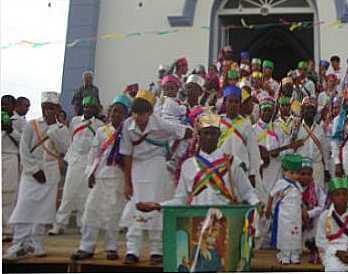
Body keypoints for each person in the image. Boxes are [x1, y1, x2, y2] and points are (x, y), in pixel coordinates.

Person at [119, 90, 189, 265]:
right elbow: (126, 154)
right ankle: (132, 249)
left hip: (157, 166)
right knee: (136, 205)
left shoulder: (160, 124)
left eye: (141, 113)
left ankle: (156, 250)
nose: (137, 117)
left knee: (156, 206)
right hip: (137, 167)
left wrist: (177, 149)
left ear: (149, 113)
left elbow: (183, 132)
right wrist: (127, 183)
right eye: (135, 112)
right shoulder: (127, 125)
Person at [135, 109, 259, 208]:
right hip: (196, 225)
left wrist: (257, 203)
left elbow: (247, 192)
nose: (209, 137)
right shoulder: (188, 165)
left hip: (225, 223)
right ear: (199, 135)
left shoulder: (232, 162)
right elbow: (181, 200)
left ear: (219, 135)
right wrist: (159, 205)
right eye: (206, 133)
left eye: (213, 133)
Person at [6, 92, 71, 260]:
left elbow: (65, 150)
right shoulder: (31, 125)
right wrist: (34, 170)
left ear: (57, 109)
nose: (47, 111)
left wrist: (54, 128)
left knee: (44, 211)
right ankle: (20, 243)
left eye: (51, 108)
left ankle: (37, 243)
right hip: (31, 173)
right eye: (44, 107)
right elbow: (24, 149)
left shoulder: (62, 129)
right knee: (24, 206)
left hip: (50, 173)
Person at [71, 95, 132, 261]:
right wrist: (90, 173)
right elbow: (94, 153)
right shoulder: (101, 131)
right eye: (113, 111)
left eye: (120, 112)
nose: (116, 115)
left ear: (126, 115)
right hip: (100, 177)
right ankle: (86, 246)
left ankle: (112, 247)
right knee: (92, 210)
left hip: (118, 178)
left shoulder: (129, 132)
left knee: (113, 214)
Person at [49, 96, 104, 235]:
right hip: (75, 160)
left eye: (91, 107)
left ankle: (82, 223)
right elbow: (70, 139)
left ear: (95, 109)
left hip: (89, 161)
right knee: (68, 192)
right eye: (86, 106)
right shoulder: (74, 121)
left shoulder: (99, 125)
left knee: (85, 194)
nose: (88, 109)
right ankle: (59, 223)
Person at [219, 86, 261, 187]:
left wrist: (252, 173)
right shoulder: (218, 121)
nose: (233, 104)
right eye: (230, 101)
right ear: (225, 102)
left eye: (236, 102)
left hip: (241, 171)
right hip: (221, 169)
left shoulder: (246, 124)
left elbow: (253, 150)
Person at [265, 153, 303, 265]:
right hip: (284, 216)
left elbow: (300, 199)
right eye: (291, 173)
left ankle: (295, 254)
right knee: (285, 234)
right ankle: (285, 255)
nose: (294, 176)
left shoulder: (297, 185)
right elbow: (271, 195)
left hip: (296, 215)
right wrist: (268, 209)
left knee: (296, 234)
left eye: (296, 173)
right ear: (284, 171)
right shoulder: (281, 183)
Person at [254, 96, 286, 204]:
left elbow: (287, 151)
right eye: (265, 110)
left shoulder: (279, 130)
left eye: (270, 110)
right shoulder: (252, 130)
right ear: (260, 111)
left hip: (275, 172)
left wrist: (279, 154)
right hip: (259, 173)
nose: (267, 113)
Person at [294, 96, 330, 186]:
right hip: (301, 168)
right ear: (302, 111)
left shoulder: (320, 129)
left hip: (317, 168)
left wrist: (326, 169)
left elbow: (325, 150)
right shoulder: (295, 128)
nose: (310, 111)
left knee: (317, 195)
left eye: (312, 108)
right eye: (307, 108)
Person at [299, 158, 326, 264]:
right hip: (297, 221)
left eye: (309, 174)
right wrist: (301, 212)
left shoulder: (317, 189)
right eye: (303, 174)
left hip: (311, 222)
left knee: (322, 216)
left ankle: (313, 245)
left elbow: (322, 206)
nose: (306, 177)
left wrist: (309, 213)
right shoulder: (292, 187)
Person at [2, 101, 22, 242]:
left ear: (13, 106)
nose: (4, 107)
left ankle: (8, 230)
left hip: (10, 157)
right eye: (2, 104)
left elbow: (24, 141)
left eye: (7, 105)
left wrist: (10, 130)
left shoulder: (20, 121)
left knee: (8, 194)